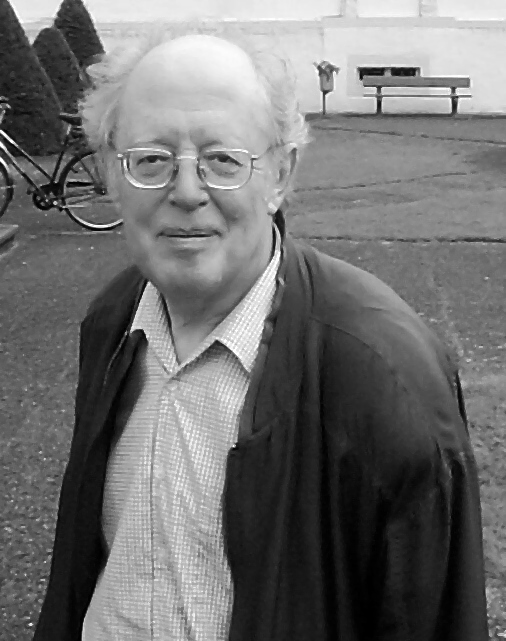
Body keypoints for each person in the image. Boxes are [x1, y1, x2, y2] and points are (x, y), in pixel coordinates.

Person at [34, 30, 488, 641]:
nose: (186, 191)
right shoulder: (112, 321)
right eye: (151, 159)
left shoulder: (385, 373)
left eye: (223, 159)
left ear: (280, 174)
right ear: (111, 176)